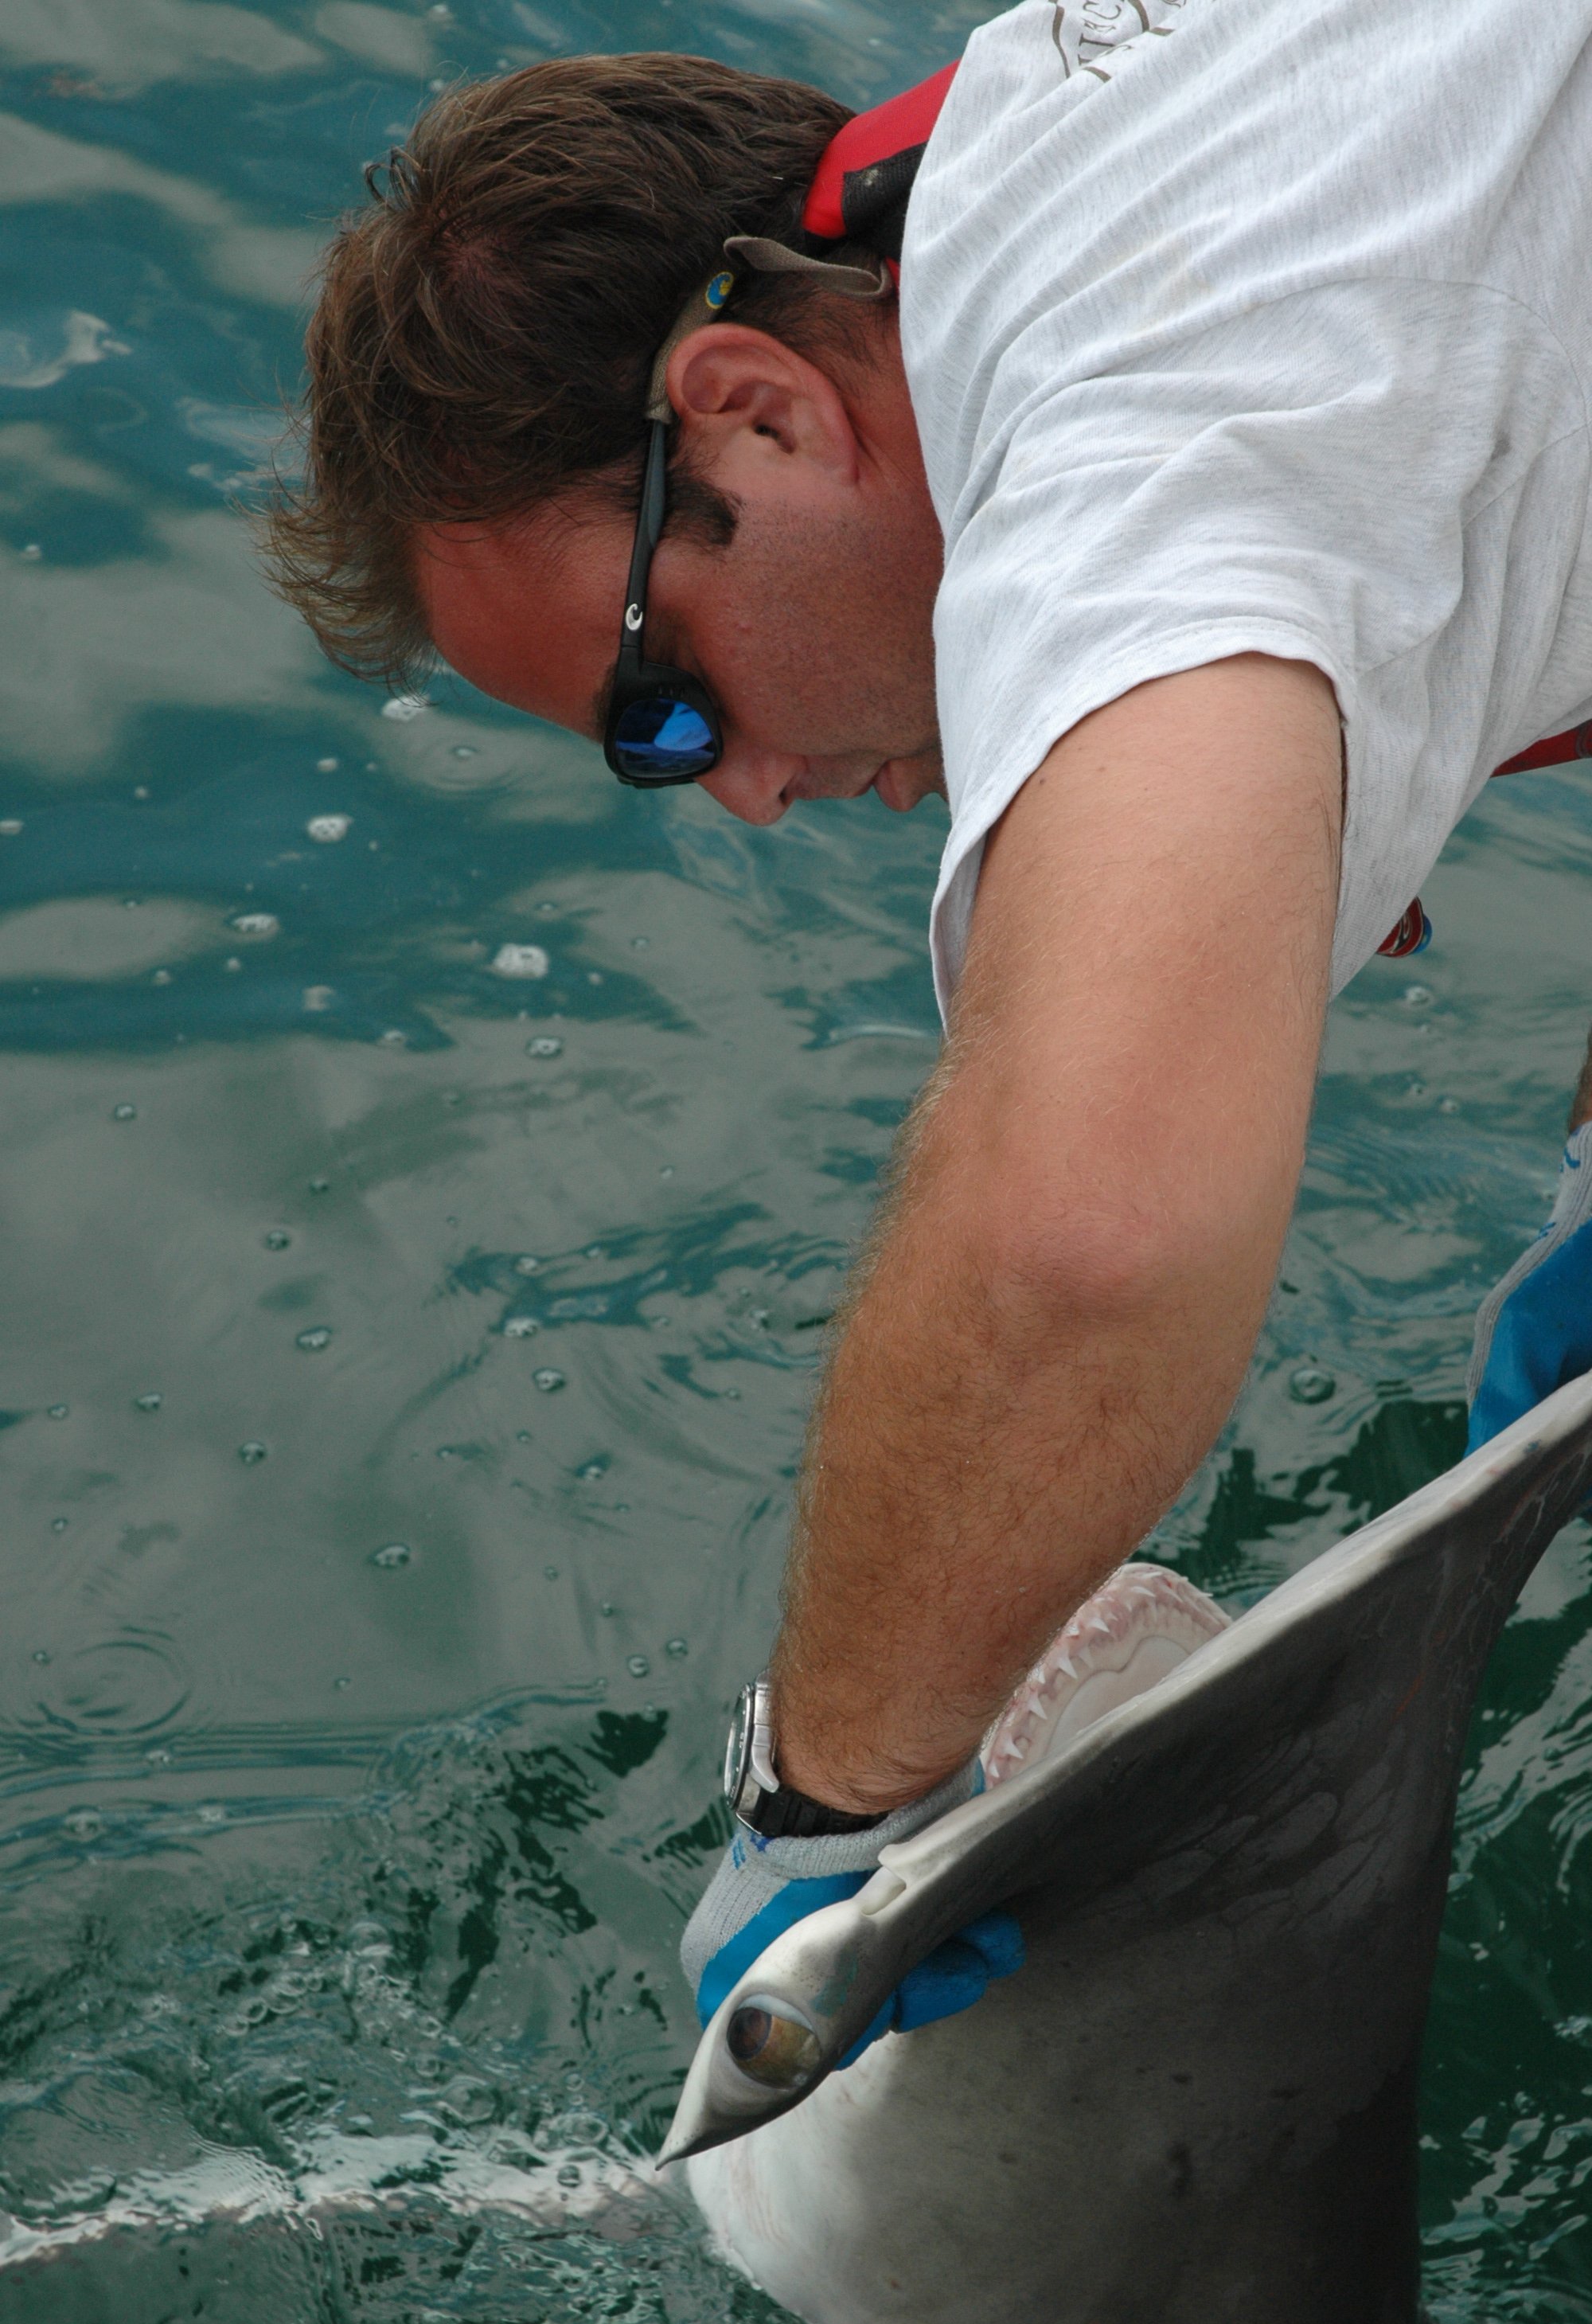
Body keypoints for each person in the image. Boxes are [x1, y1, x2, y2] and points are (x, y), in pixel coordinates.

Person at [262, 0, 1592, 2054]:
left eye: (661, 710)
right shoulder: (1145, 121)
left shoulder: (1149, 455)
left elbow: (1087, 1245)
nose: (742, 794)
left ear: (756, 413)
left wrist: (828, 1825)